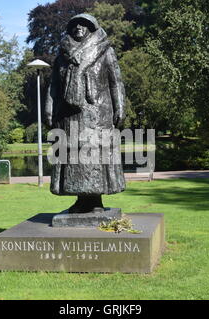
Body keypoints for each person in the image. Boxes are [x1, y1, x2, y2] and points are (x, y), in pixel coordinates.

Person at [45, 13, 126, 213]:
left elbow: (116, 82)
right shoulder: (62, 58)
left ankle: (95, 200)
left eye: (84, 24)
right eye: (75, 24)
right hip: (69, 115)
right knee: (74, 156)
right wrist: (48, 108)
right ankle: (81, 199)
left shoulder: (105, 52)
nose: (79, 27)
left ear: (92, 29)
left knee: (95, 155)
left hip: (97, 113)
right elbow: (53, 86)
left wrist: (120, 106)